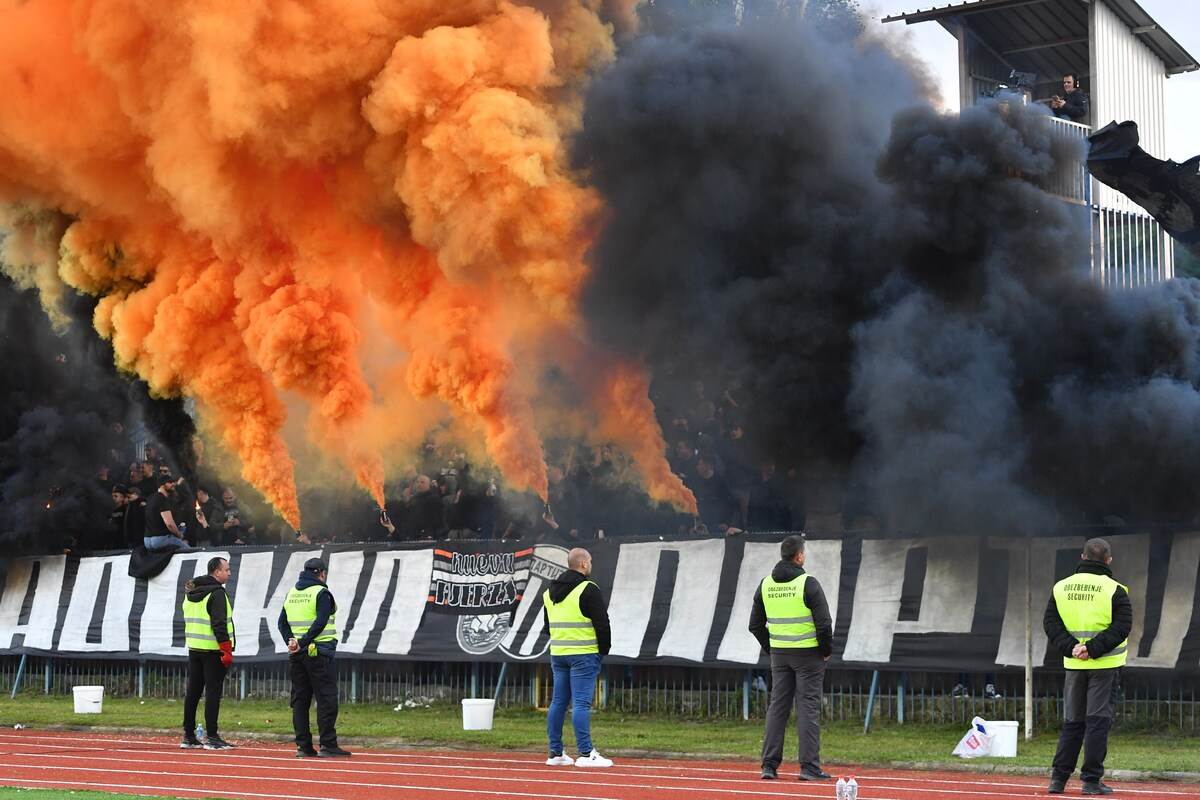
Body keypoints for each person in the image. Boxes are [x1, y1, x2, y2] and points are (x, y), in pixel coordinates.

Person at [1044, 538, 1132, 796]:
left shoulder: (1061, 588)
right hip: (1105, 664)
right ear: (1108, 560)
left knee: (1073, 722)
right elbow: (1122, 627)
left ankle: (1058, 780)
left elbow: (1051, 624)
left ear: (1082, 558)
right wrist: (1092, 649)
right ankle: (1091, 781)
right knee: (1097, 722)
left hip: (1073, 663)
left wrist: (1072, 647)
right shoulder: (1115, 590)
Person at [749, 534, 835, 781]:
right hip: (809, 656)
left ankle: (769, 766)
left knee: (777, 708)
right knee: (808, 708)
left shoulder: (765, 584)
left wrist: (772, 648)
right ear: (799, 556)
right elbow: (824, 624)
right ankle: (809, 768)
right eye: (803, 553)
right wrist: (826, 649)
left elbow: (754, 625)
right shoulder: (808, 583)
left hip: (780, 656)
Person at [543, 547, 613, 768]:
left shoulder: (548, 592)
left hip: (559, 654)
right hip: (584, 655)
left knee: (558, 702)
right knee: (581, 703)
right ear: (583, 564)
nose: (590, 564)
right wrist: (603, 650)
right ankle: (586, 753)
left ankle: (556, 753)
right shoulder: (588, 588)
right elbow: (603, 624)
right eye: (589, 561)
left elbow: (547, 628)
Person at [278, 558, 351, 758]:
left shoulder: (291, 593)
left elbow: (281, 623)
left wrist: (291, 641)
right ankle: (328, 745)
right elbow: (320, 622)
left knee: (300, 700)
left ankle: (303, 746)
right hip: (318, 652)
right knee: (326, 698)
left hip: (297, 654)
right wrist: (303, 641)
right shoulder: (322, 593)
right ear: (322, 573)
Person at [181, 556, 235, 750]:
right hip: (213, 651)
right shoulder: (217, 593)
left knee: (193, 692)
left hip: (194, 648)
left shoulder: (191, 592)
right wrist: (226, 650)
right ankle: (212, 737)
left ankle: (188, 735)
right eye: (226, 570)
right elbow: (219, 624)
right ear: (216, 572)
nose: (229, 573)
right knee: (213, 693)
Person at [144, 475, 194, 552]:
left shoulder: (151, 498)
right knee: (190, 552)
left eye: (173, 482)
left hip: (147, 540)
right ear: (162, 485)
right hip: (160, 539)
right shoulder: (162, 499)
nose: (173, 484)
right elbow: (169, 524)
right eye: (170, 482)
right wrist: (179, 535)